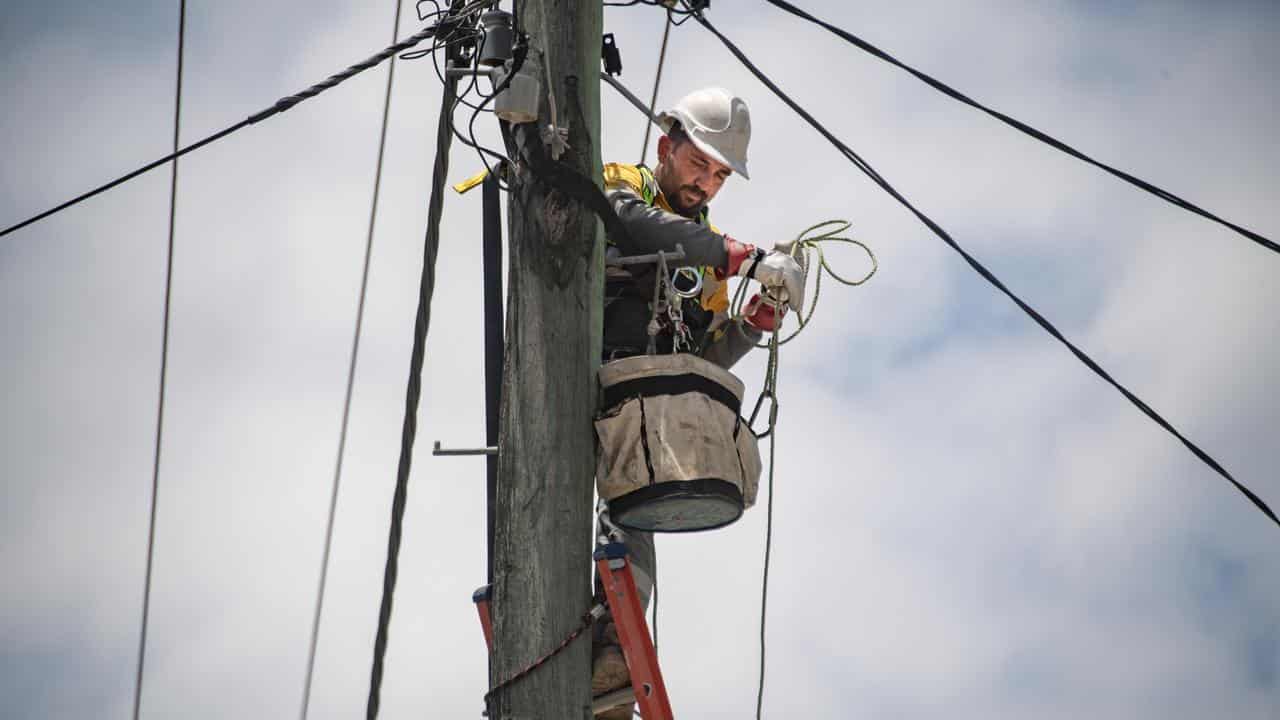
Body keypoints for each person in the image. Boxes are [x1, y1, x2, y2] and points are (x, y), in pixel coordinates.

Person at [591, 87, 804, 716]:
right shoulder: (620, 183)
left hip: (632, 407)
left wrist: (756, 322)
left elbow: (699, 363)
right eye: (697, 164)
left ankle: (609, 654)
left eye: (717, 175)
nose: (706, 183)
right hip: (574, 373)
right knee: (571, 502)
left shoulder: (709, 260)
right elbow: (628, 220)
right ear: (667, 147)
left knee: (637, 509)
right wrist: (742, 256)